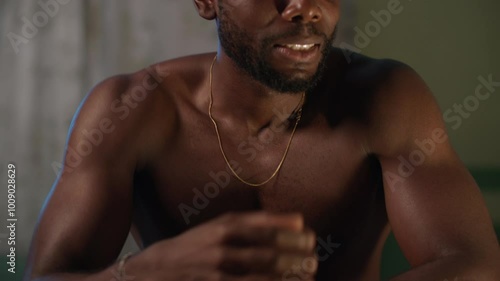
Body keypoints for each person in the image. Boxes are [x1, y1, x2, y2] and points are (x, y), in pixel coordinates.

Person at [24, 1, 500, 280]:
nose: (304, 6)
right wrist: (146, 272)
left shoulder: (386, 98)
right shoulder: (129, 110)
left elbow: (473, 262)